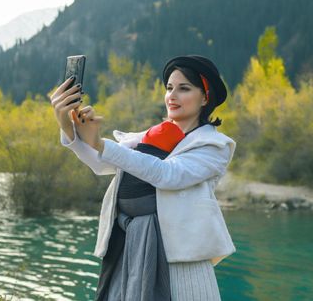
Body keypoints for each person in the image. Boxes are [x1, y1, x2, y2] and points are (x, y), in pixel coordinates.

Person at [50, 55, 236, 300]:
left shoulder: (214, 145)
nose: (172, 95)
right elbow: (101, 162)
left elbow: (167, 175)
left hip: (182, 263)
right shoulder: (151, 136)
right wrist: (67, 126)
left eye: (184, 88)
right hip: (132, 251)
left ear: (205, 97)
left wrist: (99, 142)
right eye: (169, 88)